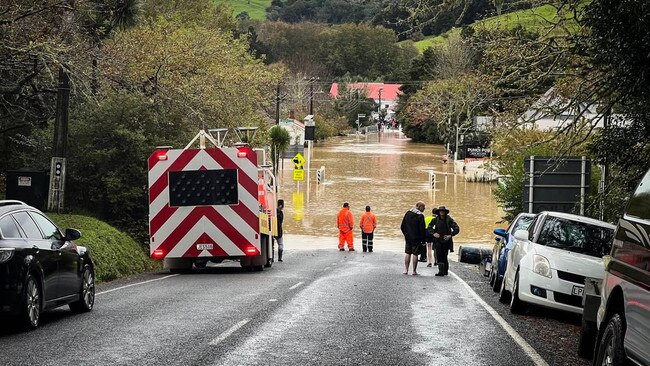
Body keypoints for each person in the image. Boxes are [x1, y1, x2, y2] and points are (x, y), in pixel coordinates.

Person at [428, 206, 460, 276]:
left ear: (445, 212)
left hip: (446, 241)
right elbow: (429, 227)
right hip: (437, 240)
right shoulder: (435, 219)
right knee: (439, 255)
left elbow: (457, 229)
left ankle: (445, 271)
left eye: (443, 211)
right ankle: (441, 271)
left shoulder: (449, 219)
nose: (441, 212)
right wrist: (434, 233)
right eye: (440, 211)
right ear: (438, 212)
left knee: (445, 256)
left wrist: (450, 235)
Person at [400, 201, 426, 275]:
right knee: (415, 254)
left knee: (408, 253)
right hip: (416, 238)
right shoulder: (420, 216)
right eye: (423, 207)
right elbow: (422, 229)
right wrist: (423, 240)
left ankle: (406, 270)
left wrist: (405, 234)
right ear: (419, 206)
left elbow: (402, 226)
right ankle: (414, 271)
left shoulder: (408, 213)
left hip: (408, 237)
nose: (424, 209)